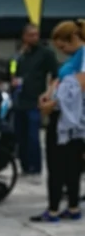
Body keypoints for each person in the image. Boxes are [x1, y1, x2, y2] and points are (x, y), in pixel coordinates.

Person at [31, 20, 85, 223]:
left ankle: (53, 209)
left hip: (68, 119)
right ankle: (72, 206)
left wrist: (53, 104)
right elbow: (60, 81)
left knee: (57, 165)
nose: (62, 51)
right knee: (71, 165)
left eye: (63, 46)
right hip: (69, 119)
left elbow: (78, 87)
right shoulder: (74, 58)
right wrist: (48, 92)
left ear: (72, 38)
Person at [13, 23, 58, 176]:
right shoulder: (21, 54)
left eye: (36, 34)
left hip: (35, 100)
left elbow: (55, 74)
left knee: (33, 135)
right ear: (24, 36)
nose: (34, 38)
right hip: (20, 98)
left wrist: (48, 92)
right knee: (20, 135)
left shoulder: (45, 53)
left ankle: (35, 166)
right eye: (31, 35)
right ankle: (25, 165)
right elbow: (14, 70)